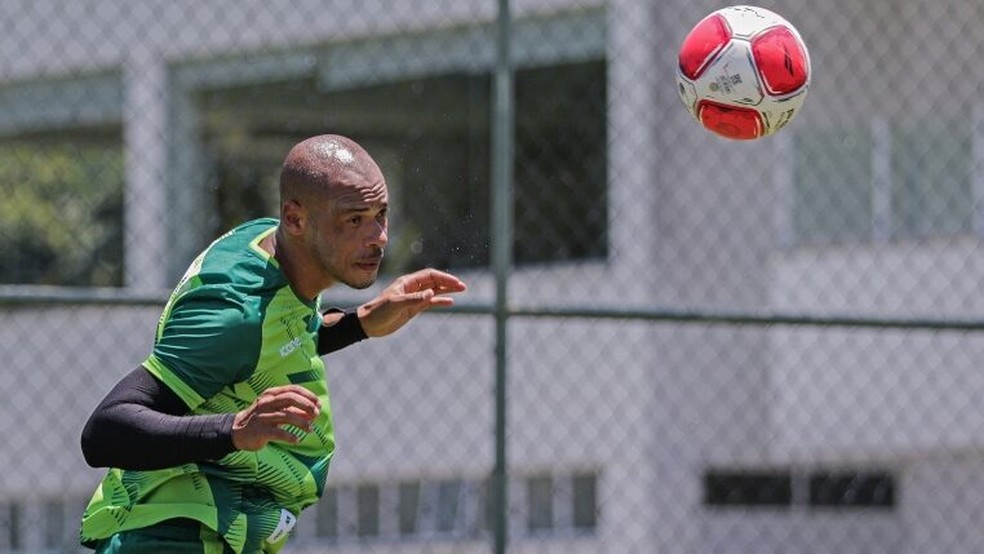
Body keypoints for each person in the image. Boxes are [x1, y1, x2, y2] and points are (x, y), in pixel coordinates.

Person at [78, 134, 467, 553]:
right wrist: (235, 429)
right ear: (296, 219)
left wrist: (360, 323)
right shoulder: (236, 317)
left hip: (217, 531)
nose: (378, 236)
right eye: (355, 220)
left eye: (381, 214)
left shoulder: (269, 246)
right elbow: (105, 430)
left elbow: (276, 338)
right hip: (175, 535)